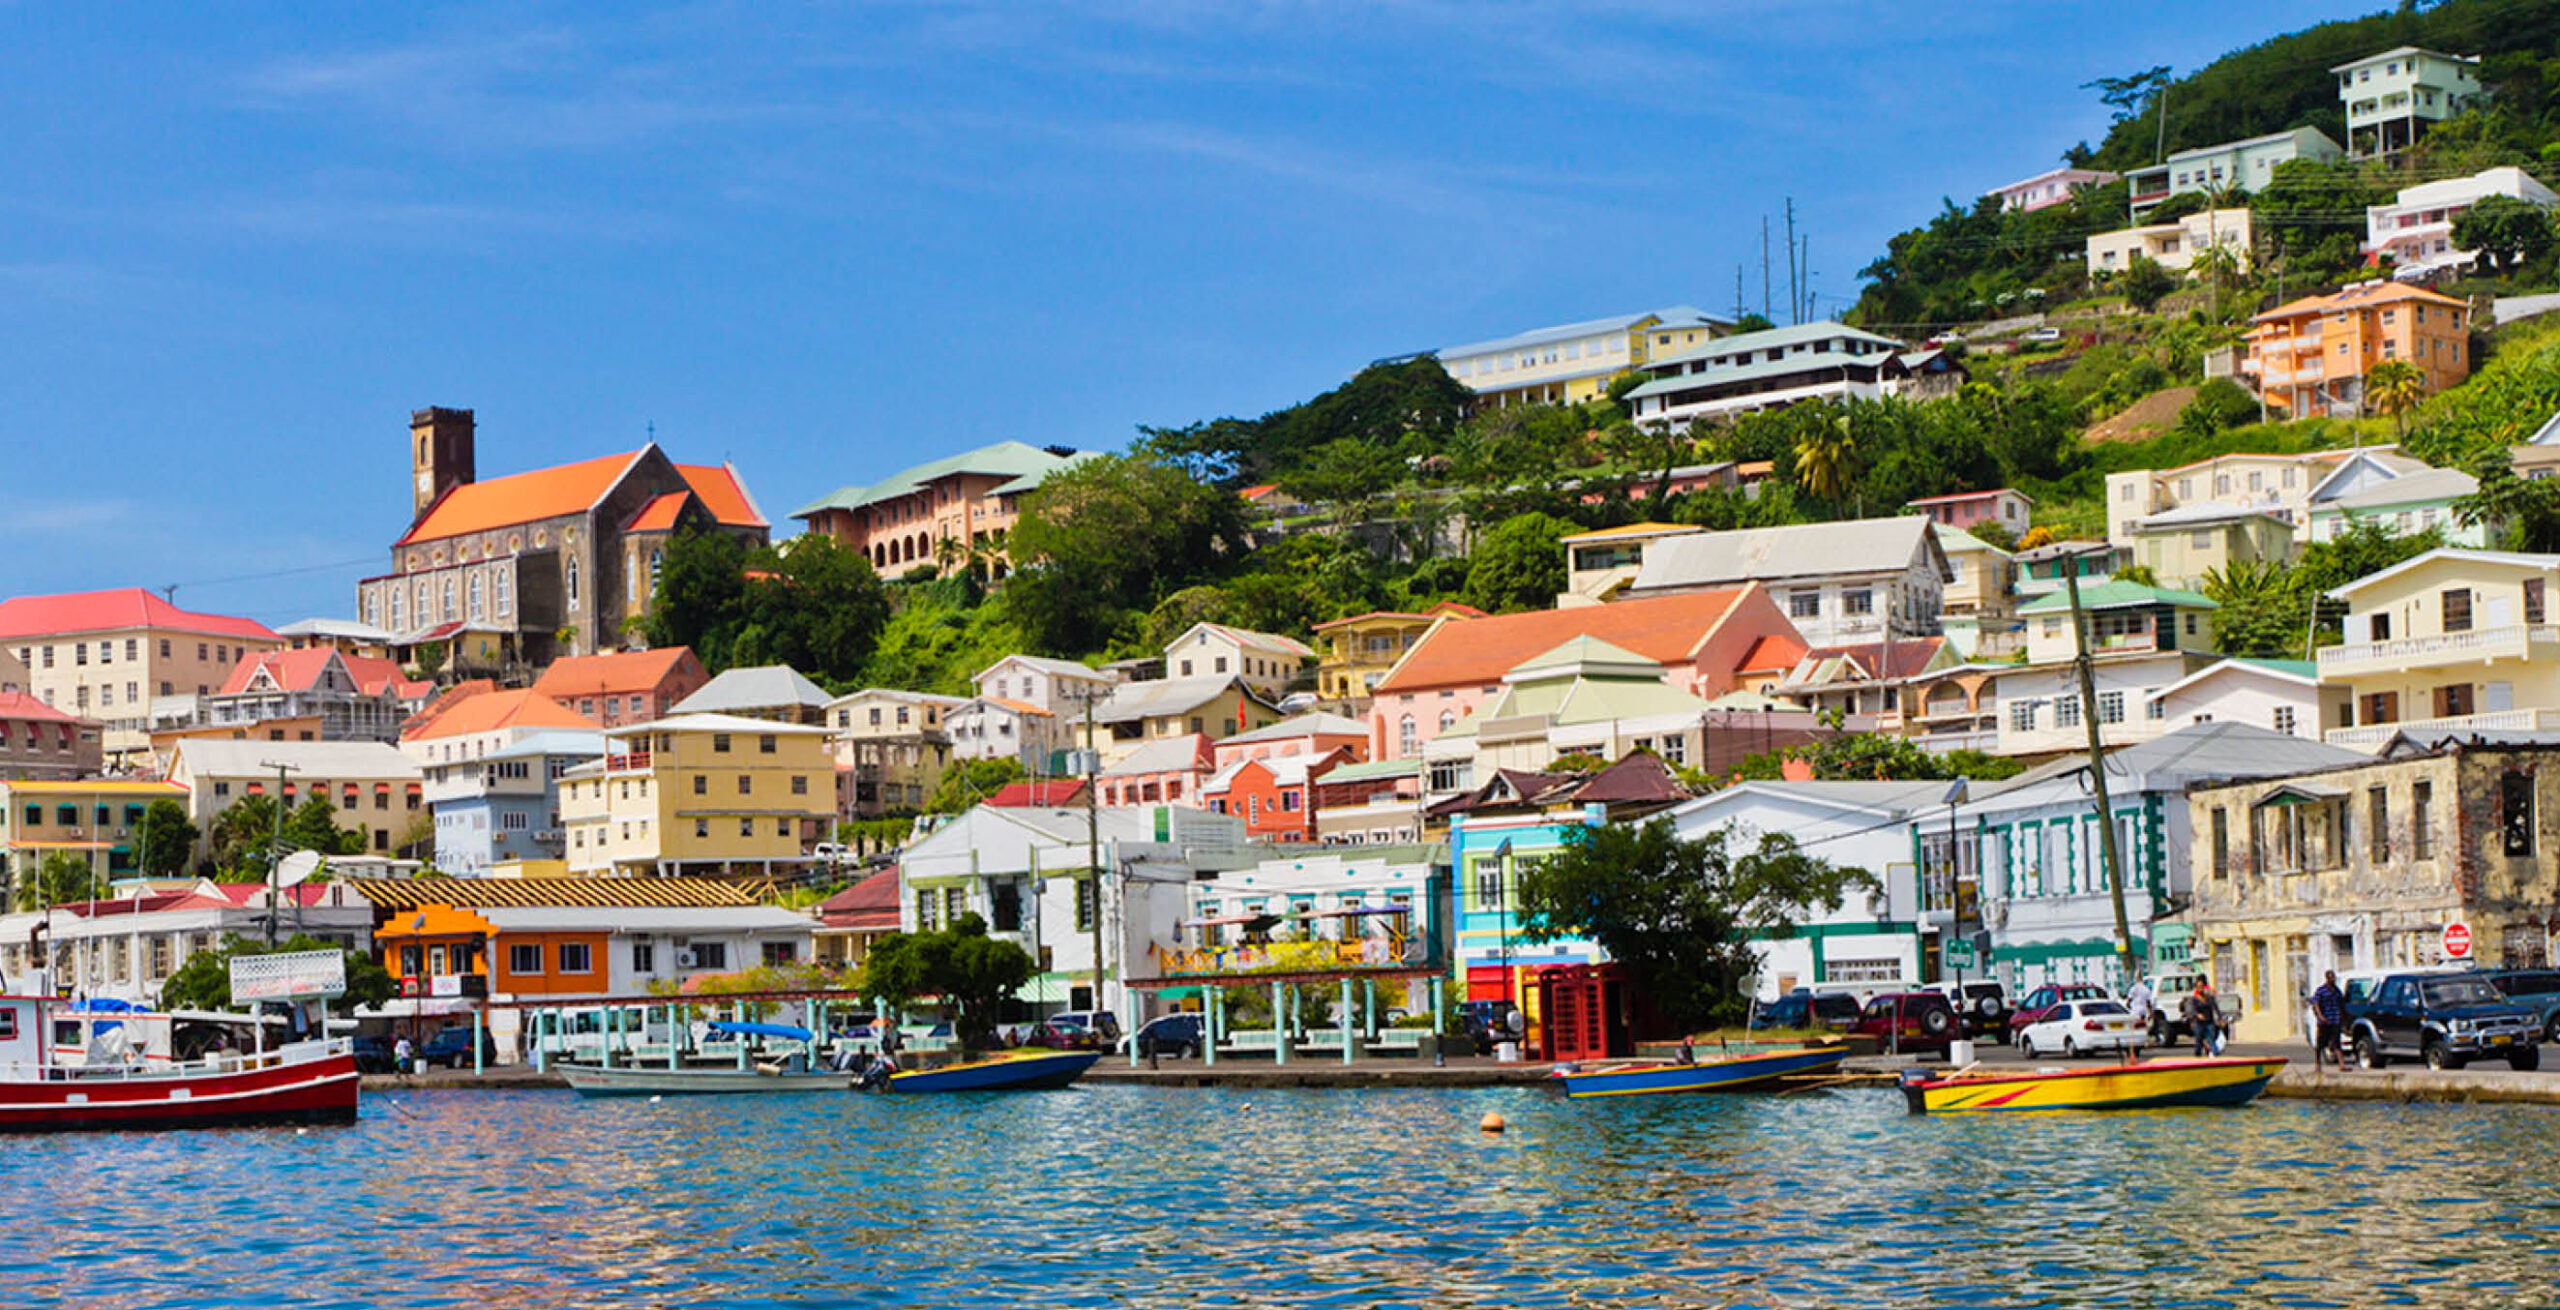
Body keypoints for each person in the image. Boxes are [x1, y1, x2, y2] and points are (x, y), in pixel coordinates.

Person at [2311, 970, 2348, 1070]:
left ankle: (2341, 1064)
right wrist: (2320, 1016)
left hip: (2335, 1020)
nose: (2333, 979)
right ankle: (2318, 1064)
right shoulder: (2321, 990)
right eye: (2331, 978)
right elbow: (2315, 1003)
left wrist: (2343, 1018)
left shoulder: (2337, 991)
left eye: (2334, 978)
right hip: (2324, 1021)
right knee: (2320, 1044)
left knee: (2337, 1042)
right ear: (2327, 978)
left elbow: (2341, 1004)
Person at [2188, 979, 2219, 1057]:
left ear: (2205, 987)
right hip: (2199, 1023)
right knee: (2198, 1041)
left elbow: (2216, 1009)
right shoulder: (2194, 999)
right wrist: (2197, 1015)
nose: (2201, 988)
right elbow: (2191, 1010)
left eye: (2202, 986)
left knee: (2211, 1039)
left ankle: (2216, 1055)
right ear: (2196, 988)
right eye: (2199, 986)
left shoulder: (2210, 998)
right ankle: (2198, 1056)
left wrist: (2221, 1018)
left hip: (2209, 1022)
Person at [2125, 972, 2156, 1046]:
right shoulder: (2146, 989)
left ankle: (2134, 1041)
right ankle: (2144, 1041)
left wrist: (2129, 1007)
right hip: (2143, 1010)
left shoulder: (2133, 989)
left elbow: (2128, 1001)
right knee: (2143, 1026)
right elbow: (2148, 1003)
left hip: (2135, 1010)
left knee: (2134, 1027)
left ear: (2136, 978)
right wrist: (2150, 1012)